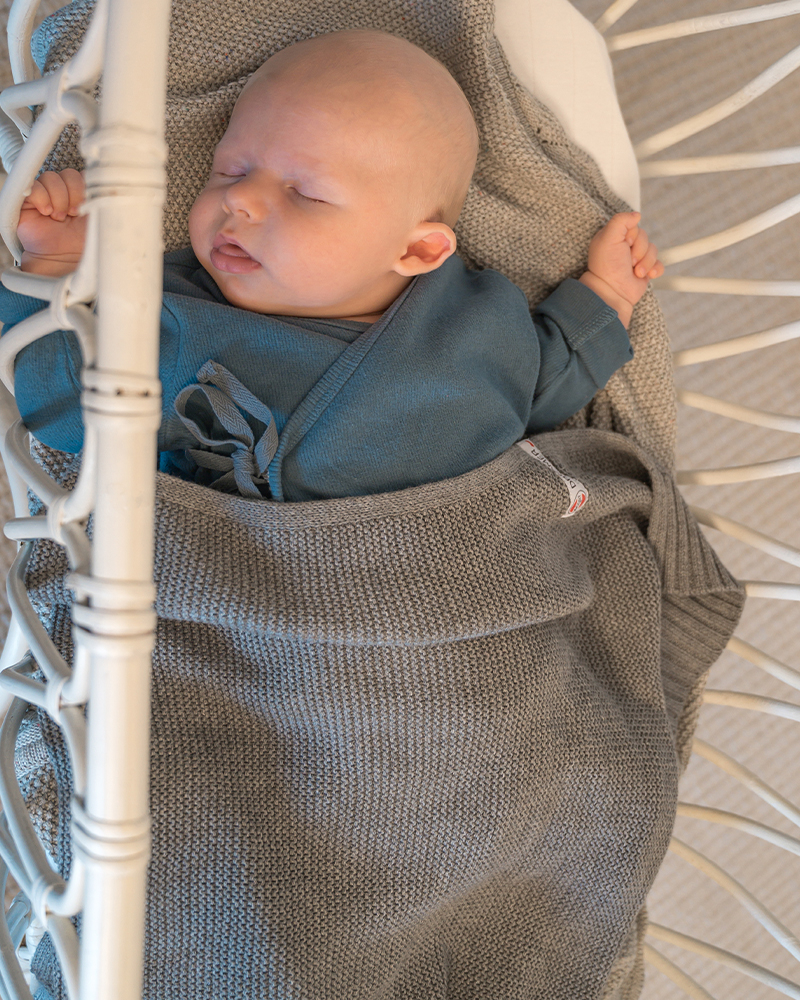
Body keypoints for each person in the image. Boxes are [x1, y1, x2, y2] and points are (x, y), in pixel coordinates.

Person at [2, 29, 663, 502]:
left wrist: (606, 293)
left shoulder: (477, 320)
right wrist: (57, 261)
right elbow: (61, 409)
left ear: (417, 251)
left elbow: (542, 384)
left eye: (306, 194)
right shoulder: (176, 317)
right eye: (229, 169)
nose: (239, 198)